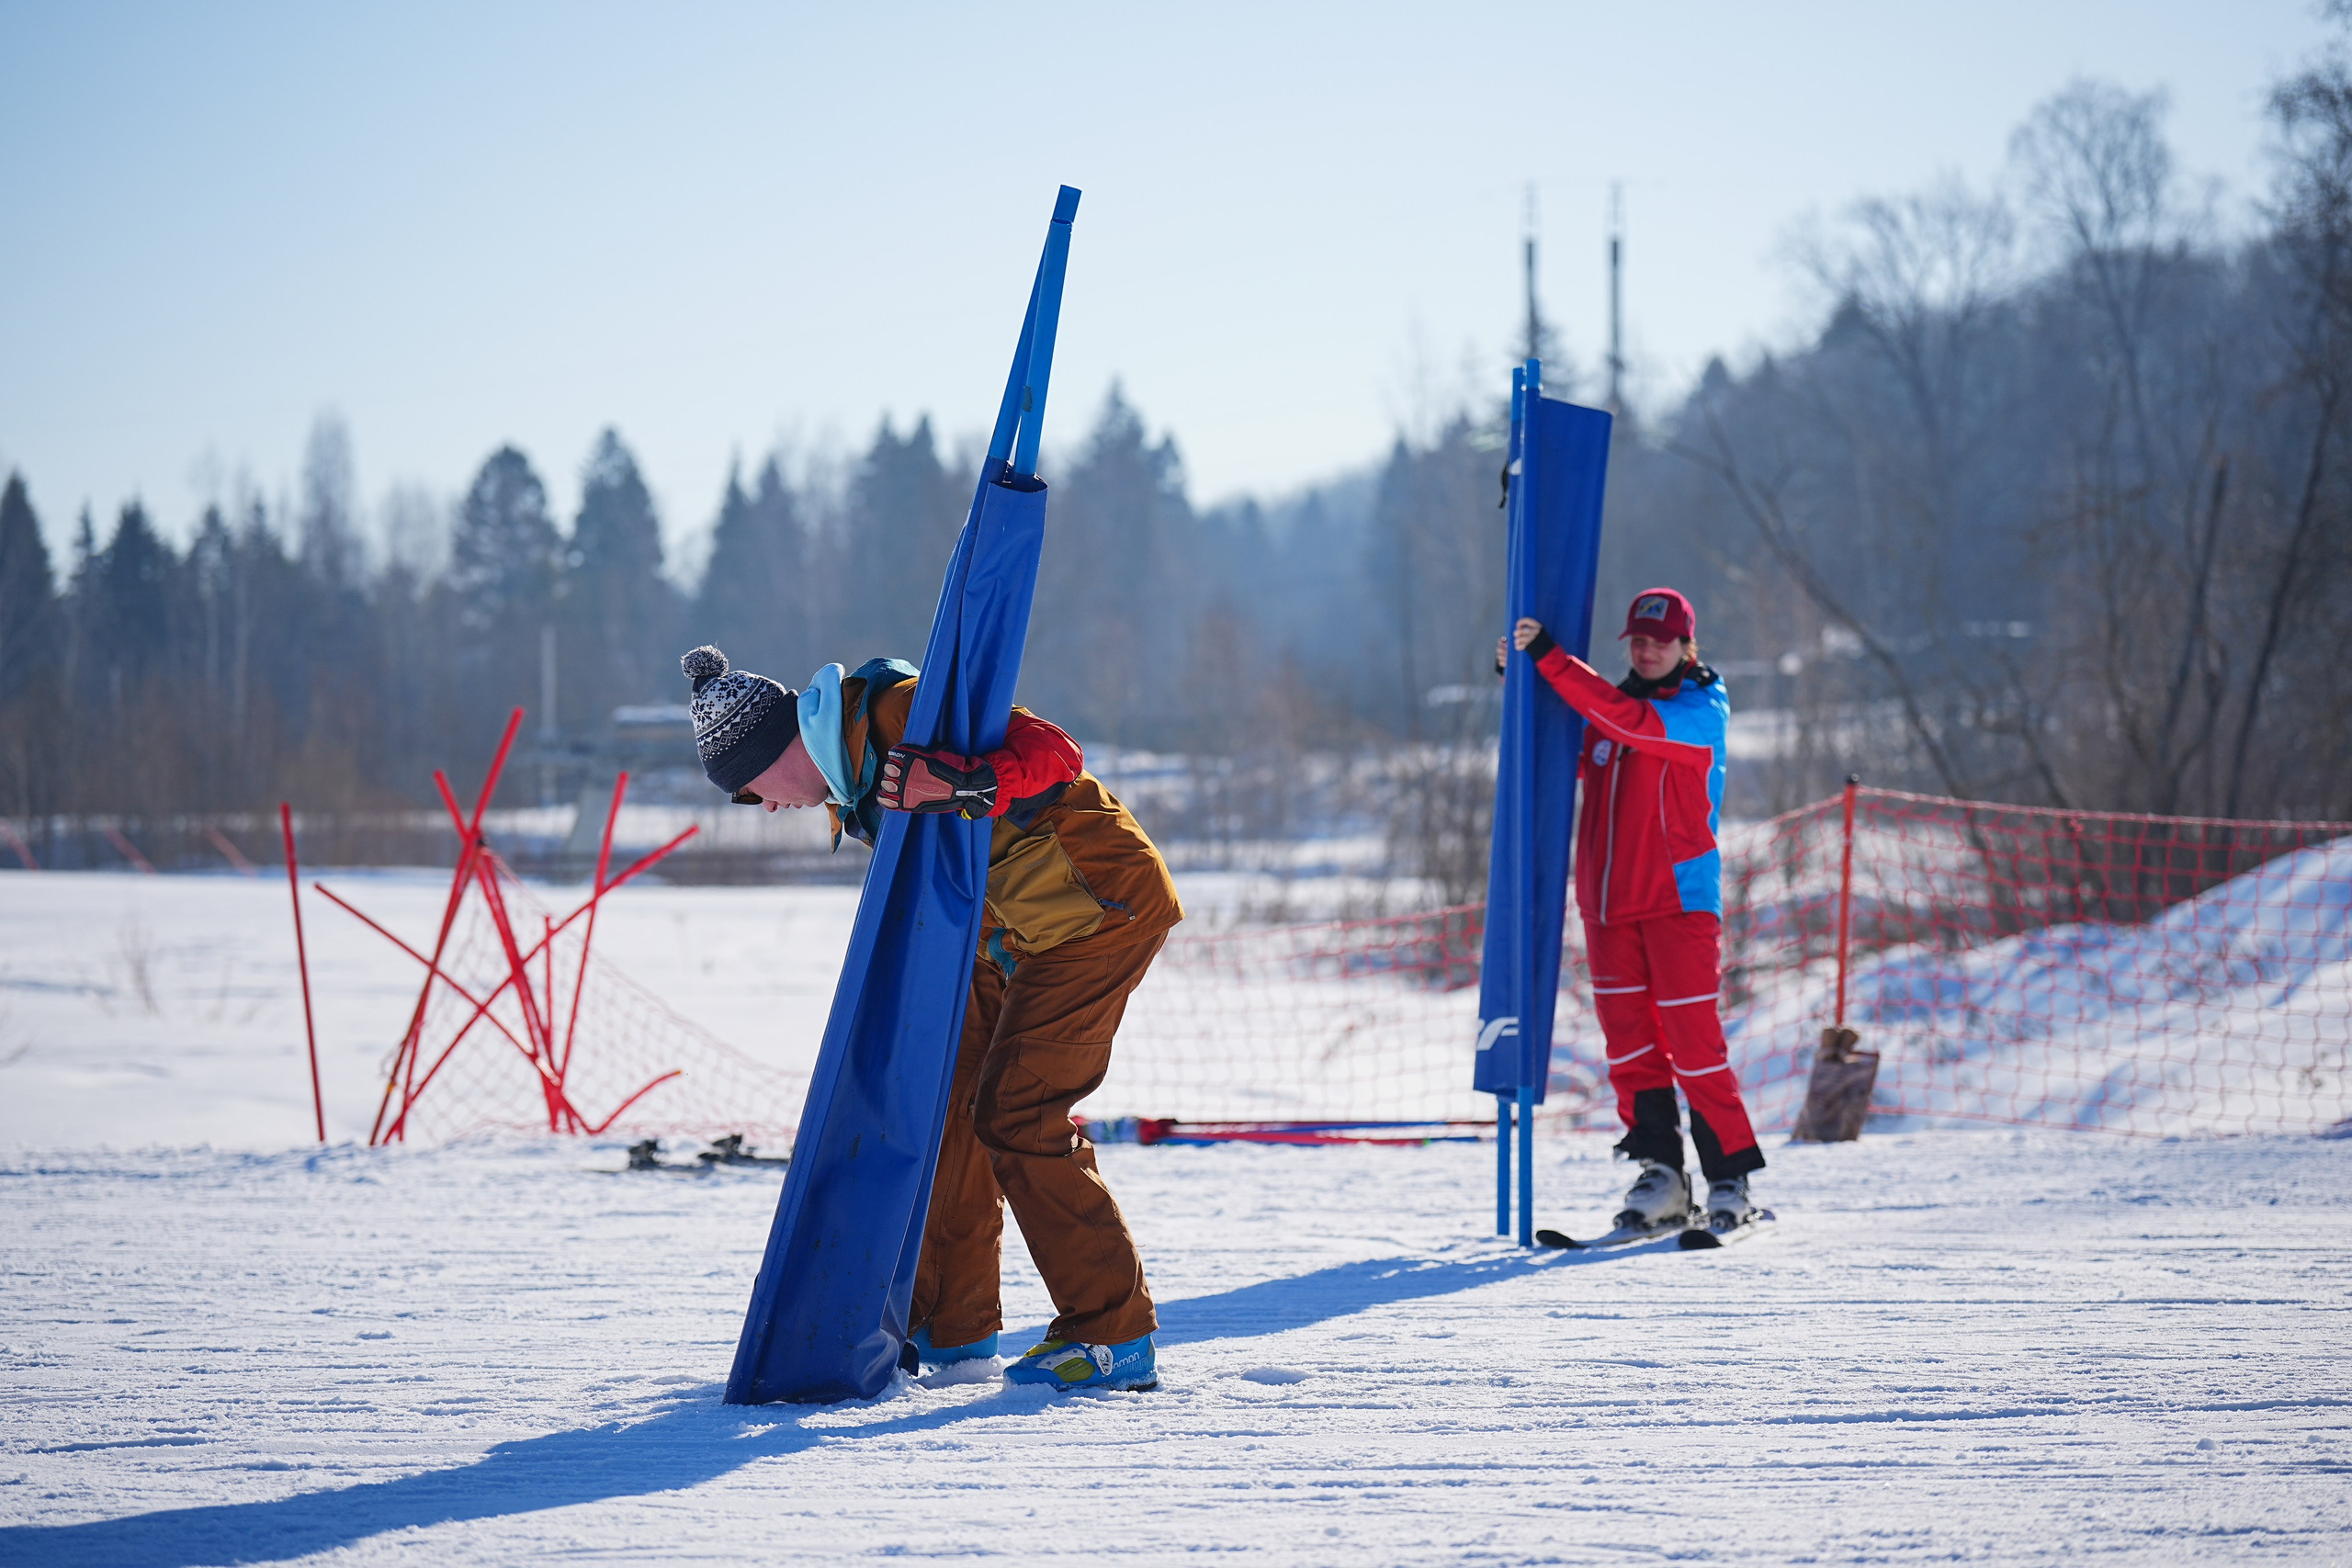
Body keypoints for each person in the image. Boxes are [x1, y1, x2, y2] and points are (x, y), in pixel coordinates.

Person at [680, 643, 1181, 1391]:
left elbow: (1054, 752)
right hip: (1009, 937)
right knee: (945, 1106)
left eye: (753, 788)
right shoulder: (848, 779)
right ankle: (954, 1331)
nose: (768, 807)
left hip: (1097, 909)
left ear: (781, 745)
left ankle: (1113, 1334)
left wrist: (972, 780)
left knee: (1017, 1112)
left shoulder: (895, 709)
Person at [1496, 588, 1767, 1239]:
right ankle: (1663, 1175)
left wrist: (1554, 660)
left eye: (1660, 641)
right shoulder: (1612, 711)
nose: (1646, 651)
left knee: (1693, 1045)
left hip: (1679, 902)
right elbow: (1561, 735)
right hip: (1609, 906)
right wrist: (1520, 678)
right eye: (1638, 641)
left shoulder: (1700, 711)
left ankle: (1730, 1178)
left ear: (1686, 646)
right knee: (1631, 1049)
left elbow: (1625, 722)